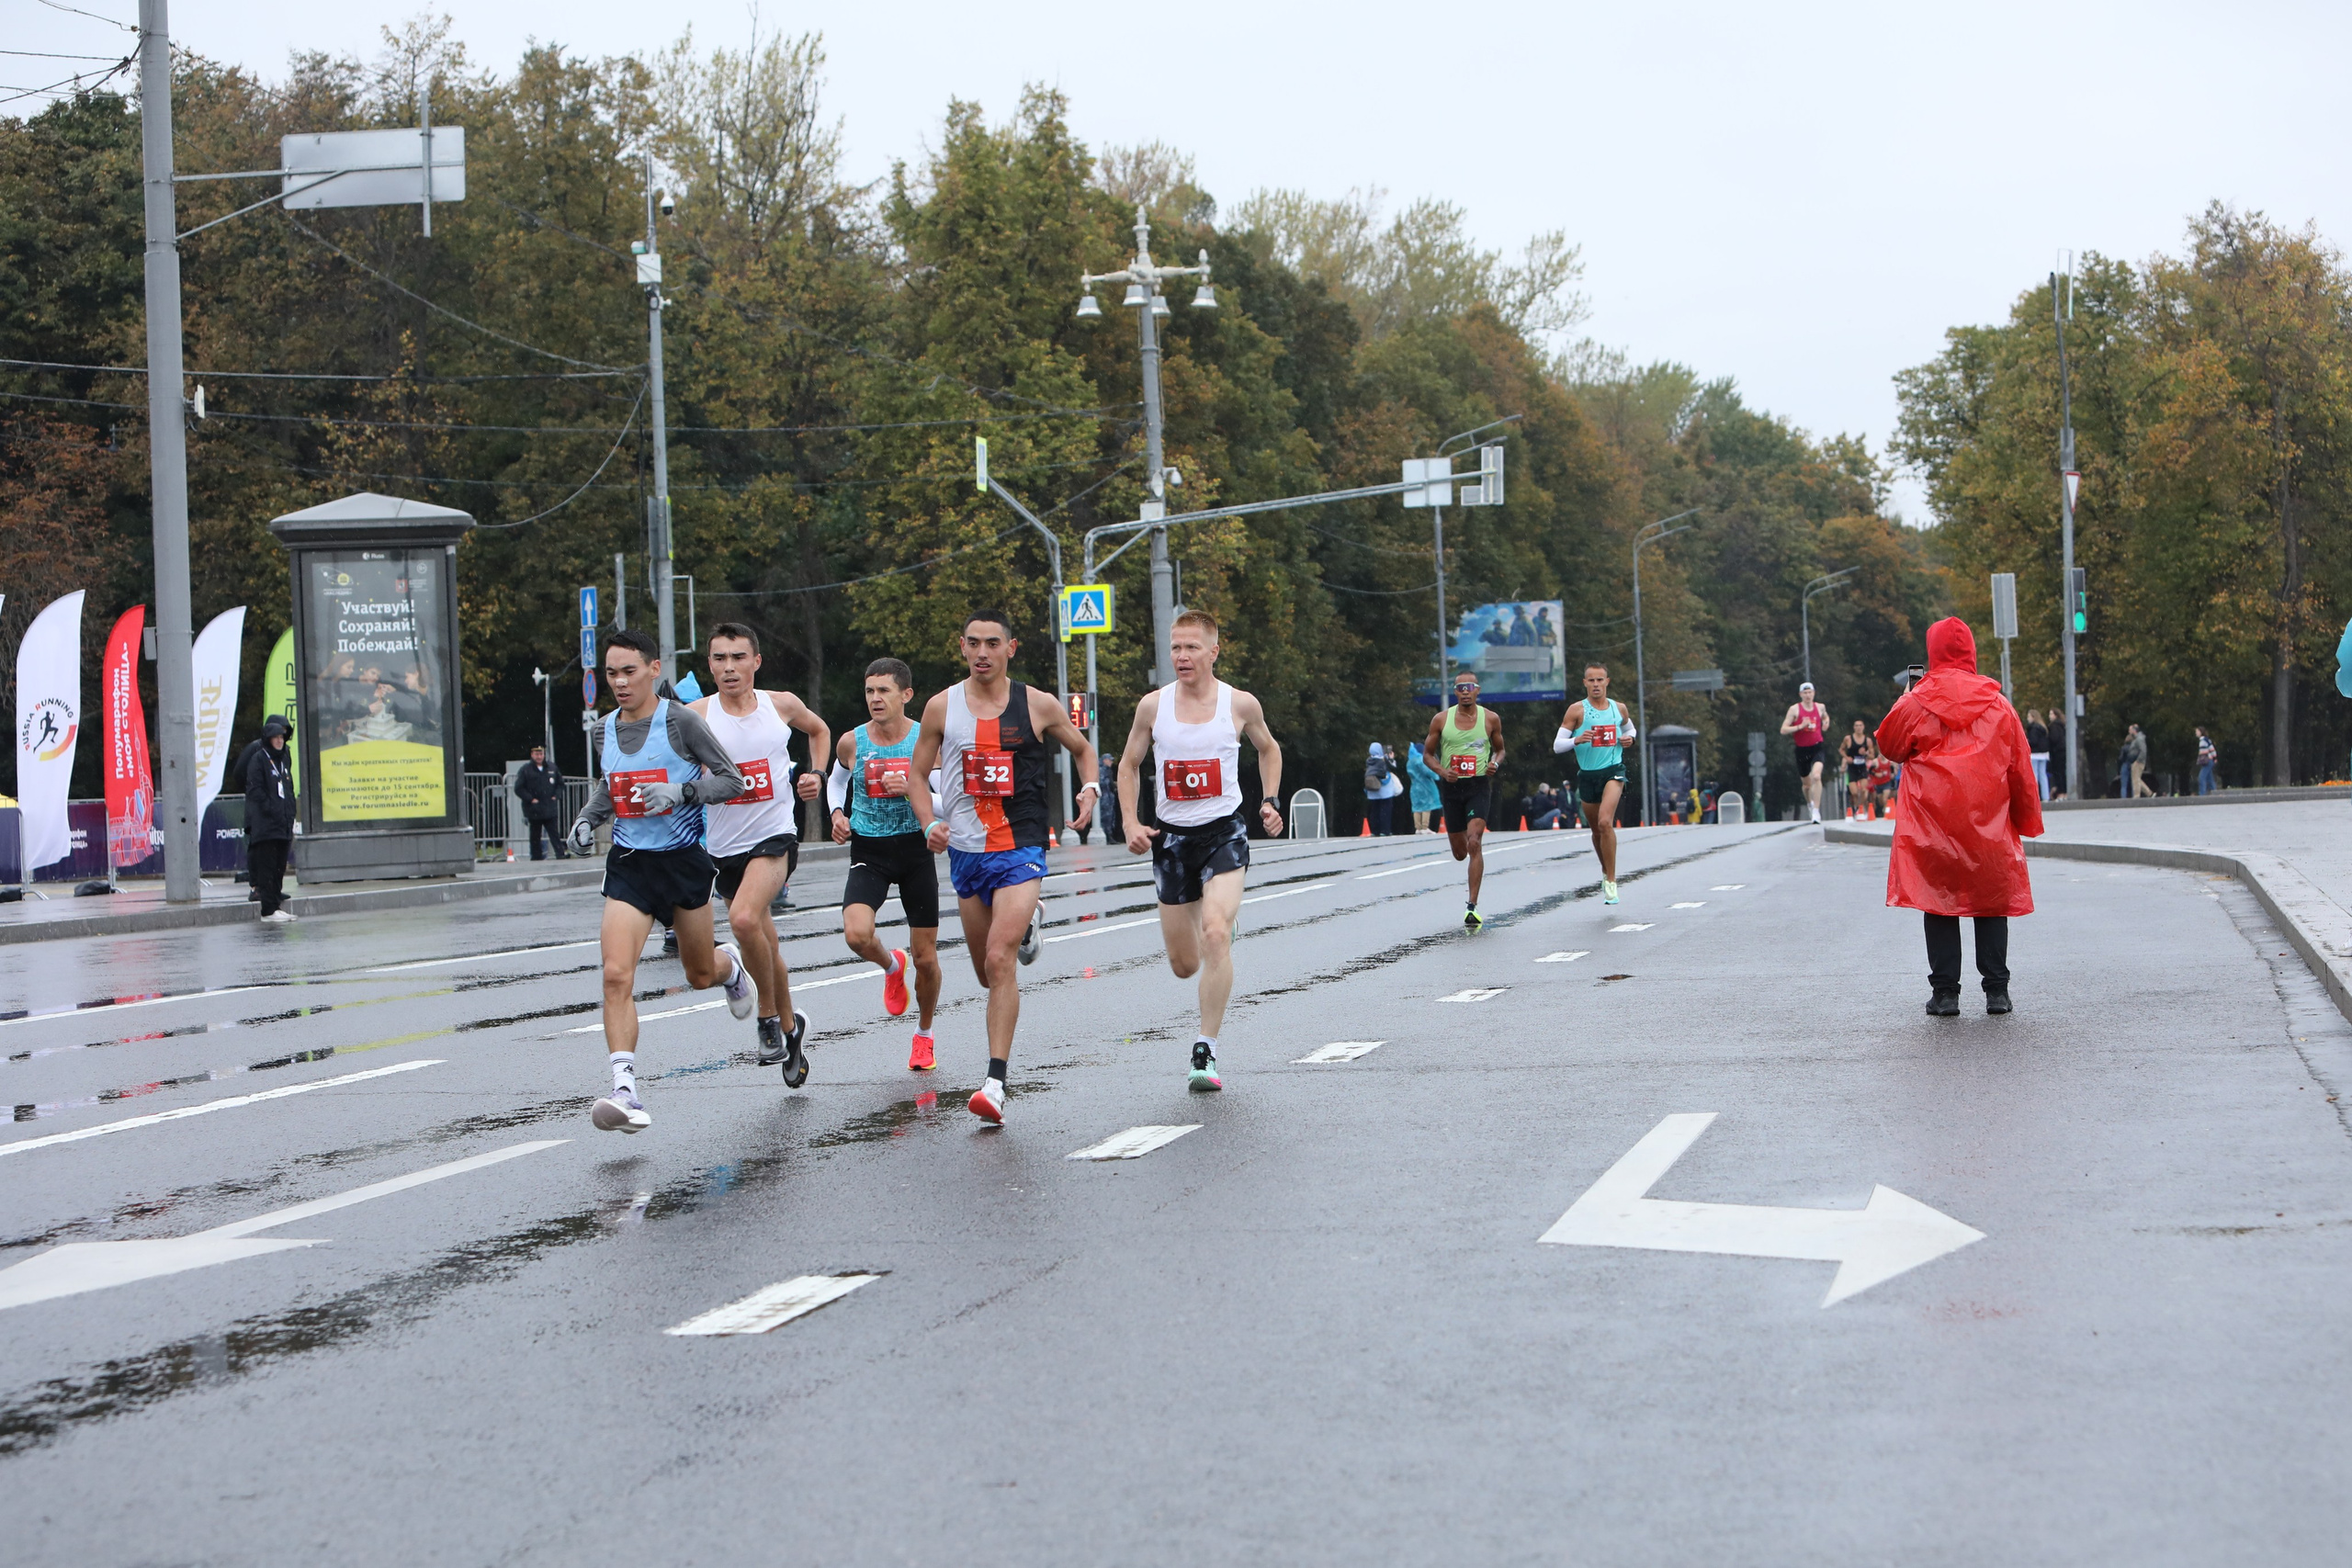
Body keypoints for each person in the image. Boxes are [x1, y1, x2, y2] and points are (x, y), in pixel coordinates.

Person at [906, 610, 1100, 1125]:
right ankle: (1030, 921)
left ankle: (995, 1082)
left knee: (998, 960)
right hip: (967, 854)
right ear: (962, 647)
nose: (983, 652)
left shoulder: (1037, 704)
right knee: (984, 973)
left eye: (994, 643)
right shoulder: (940, 707)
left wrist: (1090, 787)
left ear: (1010, 649)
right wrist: (929, 825)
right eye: (974, 643)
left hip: (1021, 847)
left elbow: (1083, 749)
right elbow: (917, 775)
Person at [563, 629, 754, 1134]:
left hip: (682, 861)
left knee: (697, 974)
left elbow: (732, 780)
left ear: (654, 668)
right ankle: (624, 1089)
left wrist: (681, 791)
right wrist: (587, 819)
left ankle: (729, 967)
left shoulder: (681, 722)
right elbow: (611, 785)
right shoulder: (604, 730)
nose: (620, 682)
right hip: (630, 864)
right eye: (611, 673)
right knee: (615, 974)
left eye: (629, 671)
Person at [1115, 609, 1285, 1091]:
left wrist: (1270, 800)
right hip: (1171, 841)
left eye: (1192, 647)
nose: (1182, 656)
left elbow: (1269, 749)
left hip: (1224, 834)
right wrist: (1131, 820)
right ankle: (1217, 920)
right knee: (1184, 964)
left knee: (1215, 934)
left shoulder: (1239, 703)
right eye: (1175, 647)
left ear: (1214, 651)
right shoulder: (1153, 706)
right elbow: (1128, 765)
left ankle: (1205, 1050)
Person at [1875, 617, 2042, 1016]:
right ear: (1971, 652)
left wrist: (1905, 698)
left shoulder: (1917, 702)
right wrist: (2025, 819)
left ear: (1932, 654)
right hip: (1987, 820)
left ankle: (1946, 993)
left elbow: (1890, 746)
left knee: (1938, 902)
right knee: (1991, 902)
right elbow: (2019, 767)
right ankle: (1996, 992)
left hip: (1932, 822)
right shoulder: (1999, 705)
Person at [691, 622, 829, 1083]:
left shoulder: (780, 704)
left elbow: (819, 729)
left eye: (737, 657)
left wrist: (817, 774)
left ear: (756, 662)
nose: (729, 668)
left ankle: (767, 1018)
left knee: (745, 919)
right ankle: (793, 1034)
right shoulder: (695, 716)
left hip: (774, 838)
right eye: (719, 658)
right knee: (766, 946)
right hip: (724, 850)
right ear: (709, 664)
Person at [830, 658, 946, 1072]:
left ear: (906, 695)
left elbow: (946, 797)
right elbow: (837, 780)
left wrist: (915, 792)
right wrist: (836, 814)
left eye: (884, 691)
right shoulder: (852, 741)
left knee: (927, 958)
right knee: (857, 935)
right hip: (870, 851)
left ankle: (924, 1036)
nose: (875, 699)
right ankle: (890, 964)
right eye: (869, 691)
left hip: (915, 852)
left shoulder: (925, 740)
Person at [1421, 672, 1506, 926]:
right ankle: (1470, 893)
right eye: (1460, 688)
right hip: (1452, 787)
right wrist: (1442, 771)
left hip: (1478, 785)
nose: (1465, 692)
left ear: (1478, 690)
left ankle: (1472, 906)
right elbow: (1428, 754)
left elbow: (1500, 749)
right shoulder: (1441, 720)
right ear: (1455, 692)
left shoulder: (1490, 718)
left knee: (1474, 842)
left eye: (1469, 687)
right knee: (1460, 852)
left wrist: (1494, 764)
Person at [1556, 662, 1634, 903]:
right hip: (1588, 775)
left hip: (1613, 771)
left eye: (1600, 680)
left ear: (1607, 682)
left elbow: (1631, 731)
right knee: (1596, 831)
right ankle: (1604, 870)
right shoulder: (1576, 710)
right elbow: (1557, 745)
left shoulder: (1618, 709)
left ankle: (1611, 880)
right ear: (1585, 683)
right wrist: (1576, 740)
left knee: (1604, 822)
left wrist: (1628, 739)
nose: (1596, 684)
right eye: (1591, 680)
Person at [242, 715, 297, 923]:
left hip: (283, 823)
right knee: (267, 867)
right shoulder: (259, 759)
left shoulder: (283, 759)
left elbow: (288, 789)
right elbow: (256, 792)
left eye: (282, 737)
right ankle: (267, 910)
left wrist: (289, 813)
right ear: (268, 739)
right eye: (276, 738)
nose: (280, 741)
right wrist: (272, 810)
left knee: (279, 867)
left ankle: (275, 905)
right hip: (266, 825)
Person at [1780, 682, 1830, 823]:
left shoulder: (1820, 707)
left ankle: (1816, 811)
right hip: (1802, 750)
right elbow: (1783, 729)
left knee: (1816, 776)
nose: (1808, 695)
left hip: (1817, 747)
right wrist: (1800, 726)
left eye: (1810, 693)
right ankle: (1810, 803)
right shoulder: (1794, 710)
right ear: (1800, 695)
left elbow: (1825, 717)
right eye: (1805, 693)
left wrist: (1826, 723)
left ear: (1814, 693)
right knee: (1807, 785)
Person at [514, 745, 567, 861]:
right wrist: (530, 799)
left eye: (541, 754)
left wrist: (556, 796)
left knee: (554, 833)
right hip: (534, 808)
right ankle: (536, 857)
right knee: (535, 834)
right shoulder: (526, 770)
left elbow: (560, 784)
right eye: (536, 754)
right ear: (532, 755)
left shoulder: (551, 767)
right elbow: (519, 788)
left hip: (549, 806)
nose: (539, 757)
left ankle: (560, 854)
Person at [1839, 719, 1875, 819]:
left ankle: (1861, 808)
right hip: (1852, 768)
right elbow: (1841, 749)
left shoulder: (1867, 741)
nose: (1858, 727)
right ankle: (1855, 807)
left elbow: (1872, 755)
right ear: (1854, 727)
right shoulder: (1848, 739)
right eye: (1856, 726)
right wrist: (1847, 758)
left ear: (1863, 727)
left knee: (1864, 790)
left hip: (1862, 767)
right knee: (1854, 793)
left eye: (1860, 725)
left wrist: (1866, 754)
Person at [1363, 741, 1401, 835]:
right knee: (1385, 810)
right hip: (1384, 788)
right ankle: (1385, 831)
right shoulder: (1383, 759)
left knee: (1374, 811)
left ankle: (1375, 831)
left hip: (1372, 788)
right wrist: (1391, 759)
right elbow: (1393, 767)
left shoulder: (1369, 761)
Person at [1405, 740, 1442, 832]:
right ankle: (1425, 827)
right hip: (1425, 786)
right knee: (1427, 806)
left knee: (1417, 807)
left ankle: (1418, 828)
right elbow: (1428, 771)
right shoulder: (1420, 760)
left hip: (1415, 787)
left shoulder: (1410, 761)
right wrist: (1436, 775)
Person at [2024, 708, 2052, 802]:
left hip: (2035, 754)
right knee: (2043, 775)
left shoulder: (2033, 728)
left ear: (2033, 717)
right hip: (2044, 754)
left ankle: (2035, 797)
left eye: (2029, 716)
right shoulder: (2043, 727)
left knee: (2034, 775)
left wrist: (2027, 741)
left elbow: (2034, 741)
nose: (2028, 719)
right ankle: (2046, 797)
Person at [2120, 723, 2154, 798]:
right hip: (2136, 761)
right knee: (2137, 779)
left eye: (2130, 730)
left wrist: (2138, 760)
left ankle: (2136, 796)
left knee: (2135, 780)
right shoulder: (2137, 738)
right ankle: (2149, 793)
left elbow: (2143, 750)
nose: (2129, 732)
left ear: (2134, 730)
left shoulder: (2139, 739)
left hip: (2138, 762)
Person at [2045, 709, 2069, 800]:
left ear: (2056, 715)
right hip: (2062, 751)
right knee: (2062, 772)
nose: (2049, 716)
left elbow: (2054, 739)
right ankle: (2064, 792)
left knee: (2058, 773)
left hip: (2056, 752)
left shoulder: (2054, 726)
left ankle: (2060, 792)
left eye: (2051, 714)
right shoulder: (2062, 725)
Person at [2196, 727, 2219, 795]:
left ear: (2200, 732)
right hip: (2209, 760)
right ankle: (2214, 792)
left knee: (2201, 778)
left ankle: (2202, 794)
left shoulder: (2203, 741)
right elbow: (2212, 749)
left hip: (2207, 761)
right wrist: (2214, 758)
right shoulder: (2206, 740)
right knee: (2210, 779)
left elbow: (2210, 750)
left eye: (2197, 731)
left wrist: (2214, 758)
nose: (2196, 733)